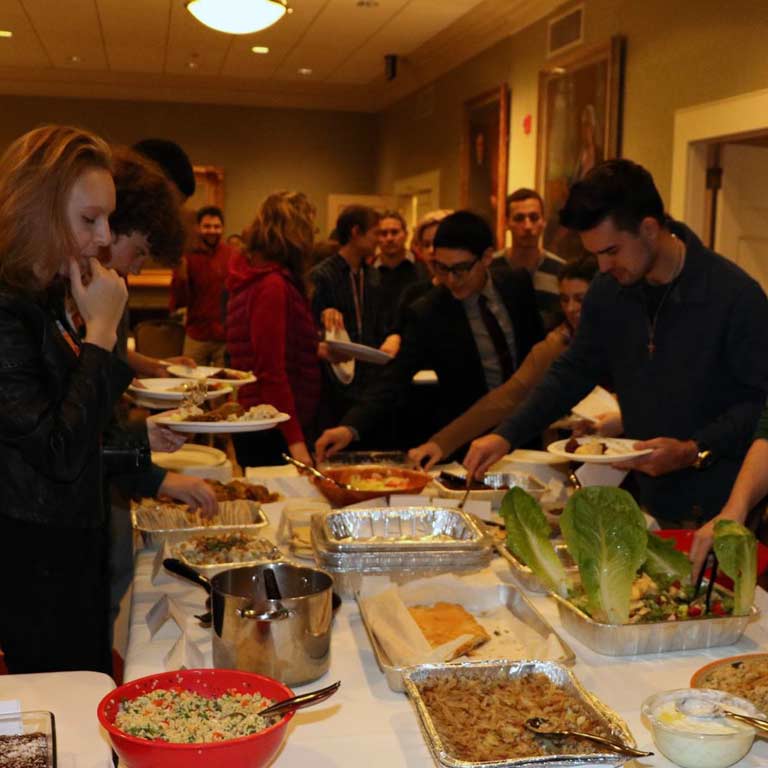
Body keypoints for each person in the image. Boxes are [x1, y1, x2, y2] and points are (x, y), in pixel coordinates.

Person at [465, 159, 768, 527]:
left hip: (723, 502)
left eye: (611, 251)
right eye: (595, 255)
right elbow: (572, 372)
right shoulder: (609, 293)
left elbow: (758, 404)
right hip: (646, 497)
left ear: (650, 228)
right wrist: (506, 435)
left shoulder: (734, 295)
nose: (604, 267)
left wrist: (693, 449)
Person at [0, 125, 130, 674]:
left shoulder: (45, 293)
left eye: (107, 219)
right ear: (38, 210)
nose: (104, 238)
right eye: (89, 219)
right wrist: (102, 329)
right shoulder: (8, 310)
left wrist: (140, 453)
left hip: (69, 546)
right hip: (34, 562)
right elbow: (58, 451)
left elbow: (82, 424)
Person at [315, 210, 542, 460]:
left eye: (461, 269)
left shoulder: (516, 285)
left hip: (527, 429)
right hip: (468, 439)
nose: (451, 280)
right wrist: (350, 428)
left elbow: (539, 355)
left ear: (487, 257)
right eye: (442, 268)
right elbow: (394, 377)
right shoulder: (429, 311)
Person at [409, 256, 601, 468]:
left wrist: (616, 420)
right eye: (565, 300)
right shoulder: (557, 343)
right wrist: (441, 443)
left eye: (581, 299)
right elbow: (508, 396)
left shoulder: (626, 330)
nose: (571, 308)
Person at [226, 191, 322, 468]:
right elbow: (270, 370)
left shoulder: (260, 277)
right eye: (310, 227)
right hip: (273, 426)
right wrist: (296, 441)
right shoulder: (272, 285)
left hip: (268, 420)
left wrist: (318, 349)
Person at [170, 205, 236, 366]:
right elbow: (179, 301)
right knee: (189, 384)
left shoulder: (233, 255)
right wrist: (182, 277)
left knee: (225, 386)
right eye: (207, 226)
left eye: (217, 226)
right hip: (197, 334)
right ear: (199, 228)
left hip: (225, 337)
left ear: (223, 228)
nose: (212, 230)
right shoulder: (187, 256)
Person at [494, 188, 565, 331]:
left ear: (543, 222)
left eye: (534, 217)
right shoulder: (491, 267)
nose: (527, 226)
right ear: (507, 223)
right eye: (519, 218)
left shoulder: (561, 270)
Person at [375, 210, 430, 357]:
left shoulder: (424, 270)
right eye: (383, 233)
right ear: (377, 237)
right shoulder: (367, 273)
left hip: (417, 348)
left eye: (395, 232)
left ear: (405, 234)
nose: (389, 238)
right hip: (377, 350)